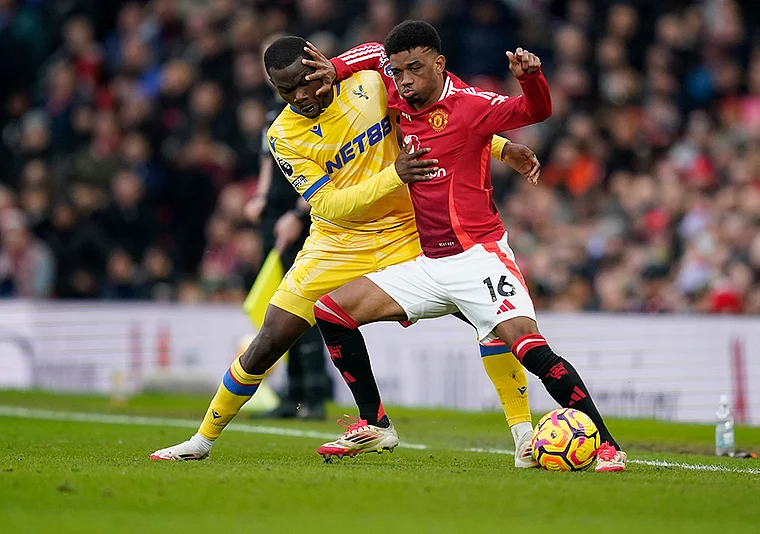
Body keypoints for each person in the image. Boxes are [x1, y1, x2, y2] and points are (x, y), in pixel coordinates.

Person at [150, 36, 543, 467]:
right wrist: (395, 175)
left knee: (490, 318)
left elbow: (439, 121)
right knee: (267, 342)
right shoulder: (282, 135)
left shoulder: (370, 85)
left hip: (410, 234)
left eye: (306, 81)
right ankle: (202, 440)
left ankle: (523, 436)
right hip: (336, 244)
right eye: (286, 90)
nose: (301, 95)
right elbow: (329, 205)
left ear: (319, 62)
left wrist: (502, 147)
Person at [307, 21, 627, 472]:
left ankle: (609, 445)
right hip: (428, 263)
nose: (404, 81)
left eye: (414, 69)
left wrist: (530, 76)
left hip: (479, 257)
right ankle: (374, 423)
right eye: (398, 73)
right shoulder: (400, 92)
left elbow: (536, 111)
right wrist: (336, 68)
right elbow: (374, 50)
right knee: (331, 312)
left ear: (439, 65)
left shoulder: (471, 105)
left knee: (531, 349)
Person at [241, 100, 331, 420]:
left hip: (302, 218)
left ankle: (315, 395)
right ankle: (293, 395)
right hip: (275, 217)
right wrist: (262, 198)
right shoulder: (272, 113)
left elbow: (324, 167)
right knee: (282, 308)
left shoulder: (312, 110)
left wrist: (296, 214)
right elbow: (269, 161)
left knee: (303, 305)